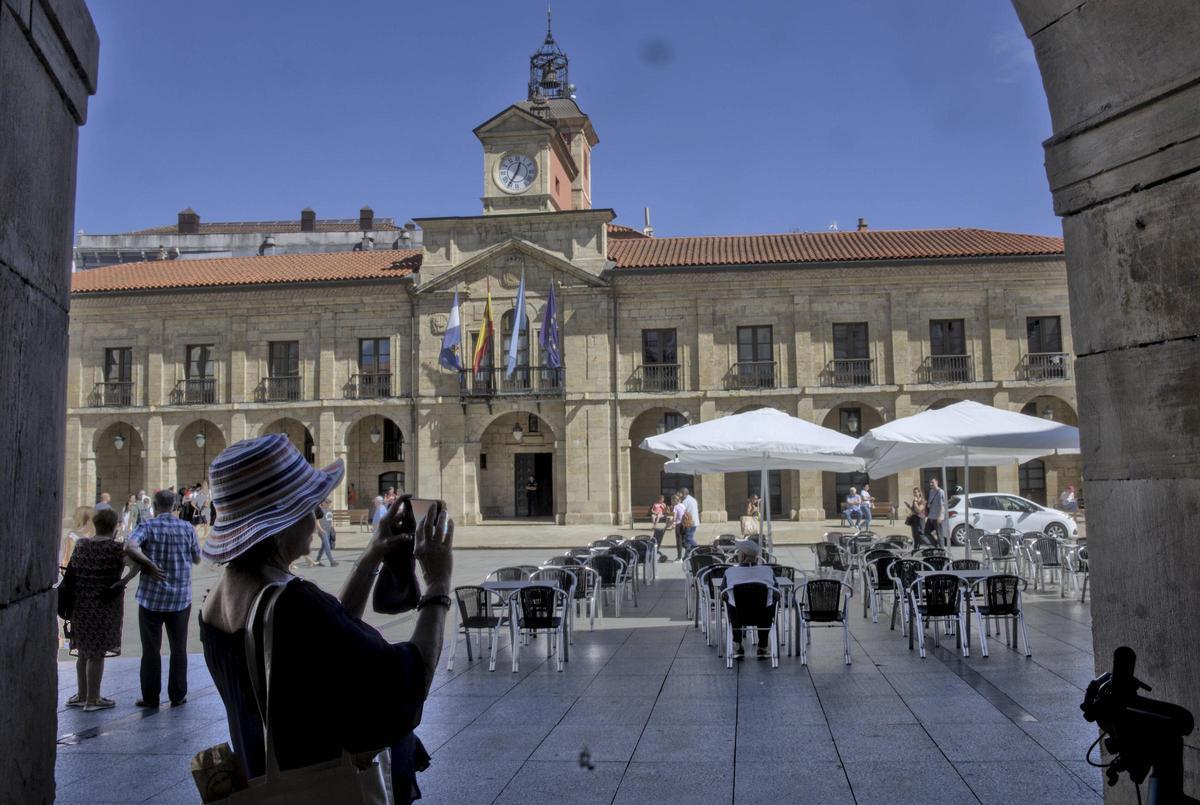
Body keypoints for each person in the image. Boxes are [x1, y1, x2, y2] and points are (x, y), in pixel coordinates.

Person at [199, 434, 453, 804]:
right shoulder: (293, 604)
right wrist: (438, 585)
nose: (318, 514)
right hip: (323, 788)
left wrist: (370, 557)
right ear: (282, 520)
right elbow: (409, 683)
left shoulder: (217, 603)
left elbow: (317, 650)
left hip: (266, 781)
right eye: (310, 506)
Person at [64, 508, 162, 711]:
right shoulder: (116, 549)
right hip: (103, 605)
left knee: (83, 651)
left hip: (80, 605)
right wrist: (122, 581)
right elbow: (136, 565)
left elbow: (72, 570)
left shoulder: (82, 544)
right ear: (114, 526)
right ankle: (93, 699)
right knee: (96, 654)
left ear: (96, 525)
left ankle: (81, 694)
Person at [128, 489, 201, 707]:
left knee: (150, 650)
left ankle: (151, 697)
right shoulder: (187, 528)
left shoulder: (147, 526)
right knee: (179, 648)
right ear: (174, 506)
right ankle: (178, 695)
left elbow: (130, 546)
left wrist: (149, 563)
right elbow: (197, 558)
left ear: (156, 506)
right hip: (180, 599)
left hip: (151, 599)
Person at [722, 539, 778, 660]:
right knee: (769, 603)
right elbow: (776, 592)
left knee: (731, 602)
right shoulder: (767, 571)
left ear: (742, 556)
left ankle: (737, 644)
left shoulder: (730, 572)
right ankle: (762, 646)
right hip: (763, 616)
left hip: (738, 616)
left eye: (738, 552)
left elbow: (723, 593)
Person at [311, 498, 337, 567]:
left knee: (323, 546)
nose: (328, 504)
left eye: (329, 503)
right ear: (323, 503)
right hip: (322, 531)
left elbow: (331, 519)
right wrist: (321, 530)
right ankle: (332, 561)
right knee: (327, 545)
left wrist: (332, 527)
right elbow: (317, 521)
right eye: (327, 503)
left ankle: (317, 560)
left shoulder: (330, 510)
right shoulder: (319, 510)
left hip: (329, 530)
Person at [925, 478, 947, 547]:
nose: (931, 484)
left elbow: (942, 506)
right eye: (930, 483)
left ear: (937, 482)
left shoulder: (940, 492)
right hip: (931, 516)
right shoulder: (931, 491)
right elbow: (929, 503)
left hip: (937, 517)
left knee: (939, 534)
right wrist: (928, 505)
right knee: (926, 532)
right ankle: (936, 545)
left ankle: (942, 551)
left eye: (932, 482)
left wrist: (940, 516)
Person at [680, 487, 700, 554]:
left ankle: (697, 548)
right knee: (688, 539)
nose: (680, 495)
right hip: (695, 521)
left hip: (689, 522)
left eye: (681, 493)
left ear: (683, 493)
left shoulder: (685, 501)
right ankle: (687, 555)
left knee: (688, 538)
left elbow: (682, 511)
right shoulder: (693, 499)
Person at [670, 493, 687, 561]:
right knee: (683, 541)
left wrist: (672, 524)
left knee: (678, 541)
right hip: (684, 524)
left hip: (678, 525)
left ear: (675, 501)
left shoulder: (676, 507)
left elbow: (674, 517)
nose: (671, 502)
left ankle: (679, 557)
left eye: (672, 501)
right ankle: (689, 550)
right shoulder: (683, 505)